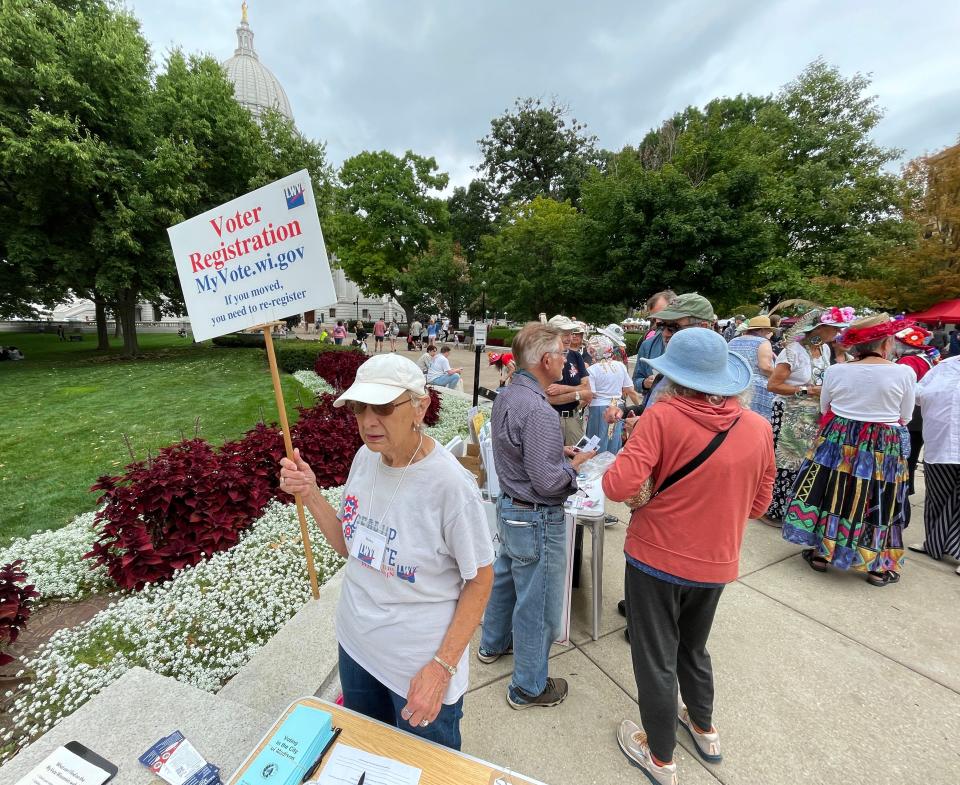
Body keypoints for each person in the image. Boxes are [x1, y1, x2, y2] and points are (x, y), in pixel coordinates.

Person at [278, 354, 494, 749]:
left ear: (420, 406)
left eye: (382, 407)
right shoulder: (366, 459)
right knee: (368, 756)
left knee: (423, 769)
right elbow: (351, 546)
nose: (367, 421)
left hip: (416, 667)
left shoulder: (449, 486)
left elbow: (480, 579)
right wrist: (309, 494)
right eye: (360, 407)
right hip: (357, 648)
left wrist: (441, 668)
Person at [603, 328, 774, 785]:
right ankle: (704, 727)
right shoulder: (757, 427)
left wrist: (632, 442)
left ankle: (660, 757)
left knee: (655, 655)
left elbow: (617, 486)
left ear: (674, 378)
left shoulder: (661, 418)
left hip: (655, 557)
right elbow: (759, 505)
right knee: (693, 647)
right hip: (716, 561)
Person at [478, 323, 597, 709]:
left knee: (507, 578)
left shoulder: (510, 394)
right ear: (546, 360)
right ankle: (528, 687)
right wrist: (575, 466)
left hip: (511, 505)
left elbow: (520, 451)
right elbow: (548, 483)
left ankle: (492, 643)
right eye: (562, 353)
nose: (567, 359)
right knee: (538, 602)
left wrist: (552, 454)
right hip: (535, 516)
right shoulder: (540, 409)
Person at [781, 314, 916, 587]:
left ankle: (822, 552)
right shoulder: (903, 372)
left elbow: (824, 407)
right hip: (882, 442)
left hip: (838, 436)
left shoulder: (836, 370)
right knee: (880, 497)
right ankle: (876, 565)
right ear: (887, 343)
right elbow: (906, 415)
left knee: (832, 490)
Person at [762, 307, 853, 526]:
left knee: (803, 462)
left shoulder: (824, 351)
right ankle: (772, 508)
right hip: (788, 413)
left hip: (811, 415)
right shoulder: (793, 351)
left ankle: (790, 509)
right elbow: (773, 385)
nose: (838, 334)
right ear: (819, 328)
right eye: (835, 329)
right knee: (785, 462)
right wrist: (808, 390)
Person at [911, 353, 960, 572]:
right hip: (939, 442)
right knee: (937, 496)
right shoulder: (946, 366)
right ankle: (934, 543)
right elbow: (918, 394)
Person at [638, 293, 717, 410]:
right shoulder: (669, 365)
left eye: (673, 327)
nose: (664, 334)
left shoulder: (715, 379)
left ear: (703, 327)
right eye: (662, 326)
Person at [891, 321, 938, 512]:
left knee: (905, 456)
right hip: (921, 416)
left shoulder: (906, 363)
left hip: (909, 416)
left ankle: (902, 493)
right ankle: (906, 489)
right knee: (911, 454)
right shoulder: (925, 358)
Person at [584, 335, 641, 454]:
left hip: (599, 409)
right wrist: (641, 409)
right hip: (618, 407)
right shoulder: (620, 366)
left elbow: (591, 395)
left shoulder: (592, 370)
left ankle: (595, 470)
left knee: (596, 444)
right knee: (614, 441)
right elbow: (630, 390)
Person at [544, 315, 592, 446]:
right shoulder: (544, 357)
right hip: (551, 419)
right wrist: (579, 393)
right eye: (565, 334)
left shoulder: (576, 356)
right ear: (551, 335)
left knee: (577, 460)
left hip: (574, 419)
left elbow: (587, 390)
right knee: (552, 460)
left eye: (571, 334)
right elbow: (548, 398)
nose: (570, 338)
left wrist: (564, 389)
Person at [727, 315, 776, 422]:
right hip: (756, 389)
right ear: (763, 330)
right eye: (768, 330)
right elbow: (765, 367)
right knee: (756, 422)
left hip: (733, 385)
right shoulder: (762, 342)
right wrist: (780, 377)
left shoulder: (733, 341)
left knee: (736, 421)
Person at [632, 292, 676, 393]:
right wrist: (645, 383)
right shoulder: (647, 345)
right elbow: (636, 381)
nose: (658, 321)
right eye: (656, 318)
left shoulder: (693, 346)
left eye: (663, 315)